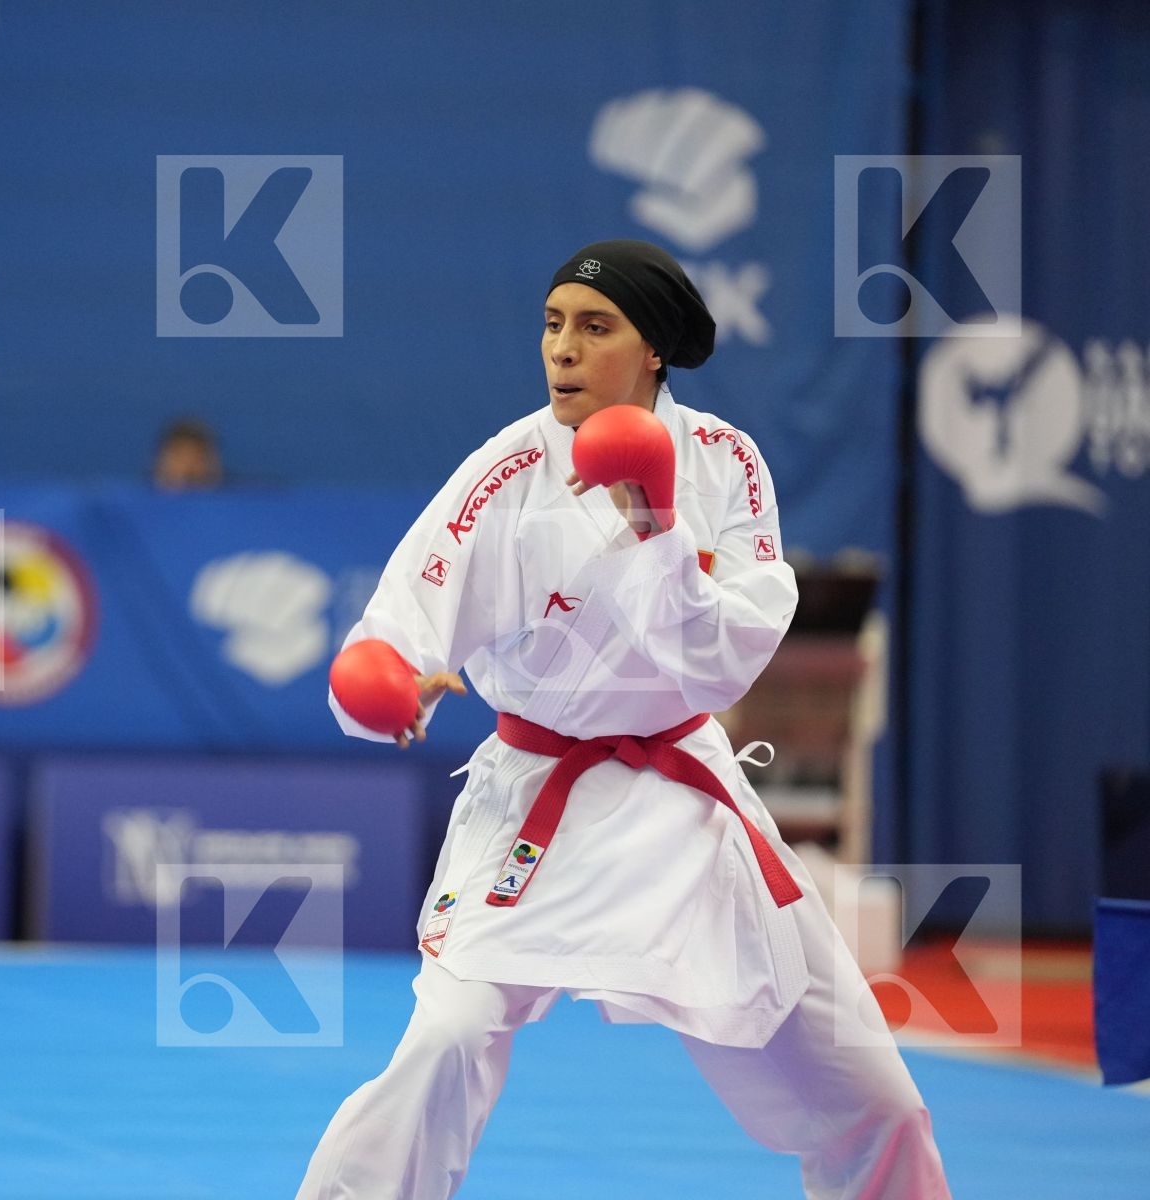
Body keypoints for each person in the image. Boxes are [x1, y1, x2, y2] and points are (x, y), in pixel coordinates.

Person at [298, 240, 950, 1198]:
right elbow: (402, 618)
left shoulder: (724, 463)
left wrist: (655, 523)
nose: (562, 347)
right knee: (444, 1041)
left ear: (654, 354)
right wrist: (383, 675)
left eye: (594, 327)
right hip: (539, 807)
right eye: (554, 324)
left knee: (874, 1099)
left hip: (687, 804)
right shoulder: (505, 472)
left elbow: (729, 650)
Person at [152, 417, 224, 491]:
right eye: (180, 456)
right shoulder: (143, 494)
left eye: (197, 457)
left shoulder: (228, 495)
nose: (188, 465)